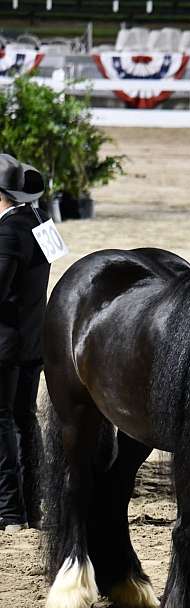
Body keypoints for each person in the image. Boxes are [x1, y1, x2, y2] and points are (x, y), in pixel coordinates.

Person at [0, 154, 50, 533]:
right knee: (24, 420)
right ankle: (32, 506)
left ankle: (9, 511)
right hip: (33, 340)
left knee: (3, 423)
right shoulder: (40, 221)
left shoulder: (8, 232)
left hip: (6, 344)